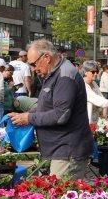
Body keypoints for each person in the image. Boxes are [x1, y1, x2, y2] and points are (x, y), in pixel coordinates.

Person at [9, 40, 93, 179]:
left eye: (33, 64)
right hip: (61, 149)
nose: (33, 69)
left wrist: (29, 118)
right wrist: (26, 114)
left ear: (46, 57)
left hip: (67, 150)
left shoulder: (65, 76)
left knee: (61, 196)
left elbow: (60, 115)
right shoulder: (54, 73)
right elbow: (47, 106)